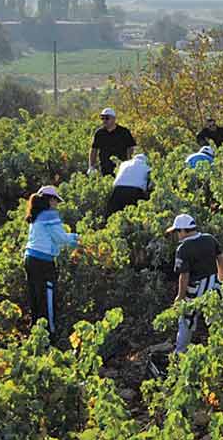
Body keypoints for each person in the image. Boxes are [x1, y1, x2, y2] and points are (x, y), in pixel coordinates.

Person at [23, 186, 78, 343]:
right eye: (56, 201)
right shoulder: (49, 215)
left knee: (35, 297)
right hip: (42, 262)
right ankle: (50, 335)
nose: (57, 204)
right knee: (47, 297)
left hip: (30, 258)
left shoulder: (37, 215)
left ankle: (36, 334)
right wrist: (76, 238)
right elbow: (60, 238)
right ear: (49, 200)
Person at [166, 213, 223, 353]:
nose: (177, 235)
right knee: (217, 319)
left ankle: (180, 352)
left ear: (182, 231)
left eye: (177, 232)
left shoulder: (183, 248)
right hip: (214, 284)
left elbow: (184, 276)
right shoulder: (209, 238)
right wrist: (221, 277)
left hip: (196, 288)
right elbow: (221, 257)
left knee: (186, 319)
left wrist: (179, 297)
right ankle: (222, 349)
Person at [89, 107, 137, 176]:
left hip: (122, 168)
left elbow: (131, 147)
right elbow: (94, 149)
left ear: (114, 119)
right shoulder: (99, 133)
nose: (104, 120)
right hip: (104, 169)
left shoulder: (124, 132)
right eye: (102, 118)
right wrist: (91, 166)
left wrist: (129, 163)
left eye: (107, 118)